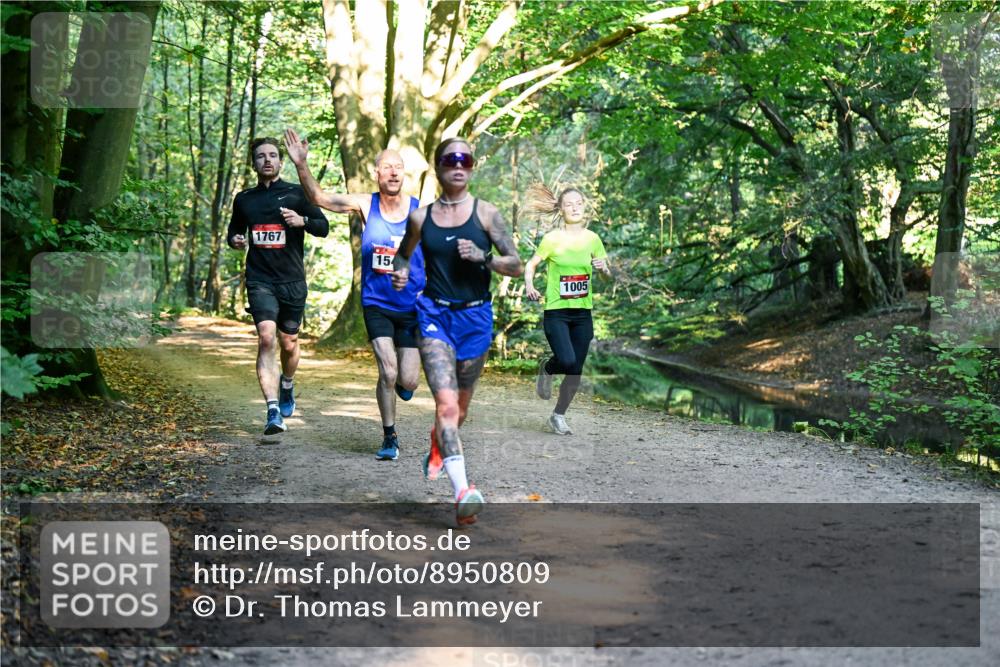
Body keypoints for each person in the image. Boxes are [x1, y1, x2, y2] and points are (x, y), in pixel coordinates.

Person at [392, 138, 523, 525]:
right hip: (434, 315)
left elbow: (516, 265)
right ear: (438, 167)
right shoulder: (421, 218)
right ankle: (463, 492)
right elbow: (403, 255)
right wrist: (401, 273)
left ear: (473, 166)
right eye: (451, 159)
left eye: (465, 159)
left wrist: (484, 258)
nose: (459, 165)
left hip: (475, 319)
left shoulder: (486, 214)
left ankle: (438, 444)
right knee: (446, 407)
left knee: (460, 410)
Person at [282, 128, 424, 461]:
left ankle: (401, 385)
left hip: (412, 307)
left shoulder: (421, 210)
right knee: (387, 371)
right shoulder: (364, 203)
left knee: (408, 381)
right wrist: (301, 164)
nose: (393, 173)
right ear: (376, 173)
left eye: (398, 168)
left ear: (404, 174)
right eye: (386, 167)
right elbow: (318, 198)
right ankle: (390, 437)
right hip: (377, 304)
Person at [227, 137, 330, 437]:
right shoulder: (244, 199)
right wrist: (235, 240)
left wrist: (303, 220)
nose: (267, 160)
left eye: (273, 155)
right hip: (260, 280)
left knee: (289, 343)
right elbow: (234, 231)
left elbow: (323, 227)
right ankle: (272, 410)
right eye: (261, 156)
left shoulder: (298, 193)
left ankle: (287, 383)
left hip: (292, 281)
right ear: (254, 163)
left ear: (281, 162)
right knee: (266, 338)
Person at [523, 184, 610, 435]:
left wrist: (603, 269)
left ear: (584, 207)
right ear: (561, 209)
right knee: (567, 360)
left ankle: (558, 416)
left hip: (583, 313)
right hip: (557, 312)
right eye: (569, 204)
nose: (574, 208)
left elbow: (606, 277)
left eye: (578, 203)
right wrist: (529, 284)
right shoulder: (552, 239)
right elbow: (531, 265)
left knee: (575, 371)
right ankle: (548, 367)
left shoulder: (593, 239)